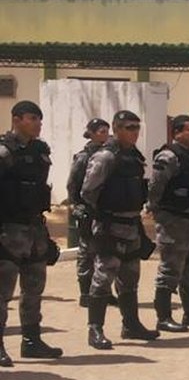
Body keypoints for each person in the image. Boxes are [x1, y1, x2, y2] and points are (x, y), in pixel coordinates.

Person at [82, 110, 159, 349]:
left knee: (130, 277)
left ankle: (131, 325)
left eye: (137, 127)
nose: (134, 132)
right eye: (128, 127)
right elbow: (88, 191)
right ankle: (95, 329)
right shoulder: (106, 156)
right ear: (116, 129)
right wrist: (104, 213)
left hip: (131, 224)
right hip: (110, 225)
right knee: (104, 277)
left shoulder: (134, 157)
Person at [0, 100, 63, 366]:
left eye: (39, 118)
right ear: (16, 119)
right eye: (32, 118)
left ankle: (31, 341)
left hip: (35, 227)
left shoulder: (40, 151)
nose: (38, 123)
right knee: (3, 292)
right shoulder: (4, 152)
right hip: (9, 229)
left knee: (34, 288)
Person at [147, 115, 189, 333]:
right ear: (177, 132)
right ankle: (163, 316)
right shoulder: (168, 157)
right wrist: (158, 211)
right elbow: (156, 187)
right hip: (174, 219)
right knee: (170, 269)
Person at [69, 117, 110, 307]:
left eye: (106, 130)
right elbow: (73, 184)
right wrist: (77, 205)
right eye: (101, 131)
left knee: (105, 250)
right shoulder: (83, 157)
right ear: (91, 133)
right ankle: (85, 292)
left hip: (105, 209)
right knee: (87, 250)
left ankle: (103, 291)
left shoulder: (110, 154)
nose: (105, 134)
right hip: (88, 208)